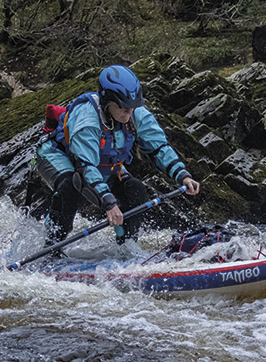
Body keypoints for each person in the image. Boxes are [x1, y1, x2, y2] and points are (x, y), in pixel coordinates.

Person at [34, 64, 200, 246]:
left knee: (135, 190)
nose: (129, 113)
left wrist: (182, 175)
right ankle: (52, 246)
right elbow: (85, 167)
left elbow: (158, 147)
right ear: (108, 102)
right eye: (124, 108)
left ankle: (126, 248)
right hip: (57, 155)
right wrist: (108, 202)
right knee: (71, 185)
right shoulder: (87, 120)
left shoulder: (135, 112)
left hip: (103, 163)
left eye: (132, 107)